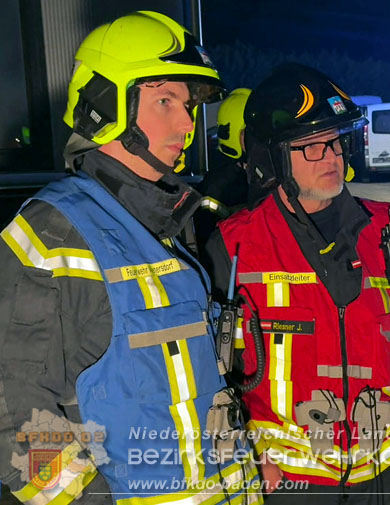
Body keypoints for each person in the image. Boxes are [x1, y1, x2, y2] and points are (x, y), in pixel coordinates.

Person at [0, 11, 262, 505]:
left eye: (187, 105)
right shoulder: (54, 233)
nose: (187, 122)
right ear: (106, 105)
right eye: (166, 101)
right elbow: (14, 416)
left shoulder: (164, 224)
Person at [202, 63, 390, 503]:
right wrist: (244, 449)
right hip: (295, 479)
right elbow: (215, 368)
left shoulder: (382, 227)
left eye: (335, 142)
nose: (332, 157)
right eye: (312, 147)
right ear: (272, 158)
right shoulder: (234, 244)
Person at [195, 88, 251, 251]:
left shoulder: (278, 175)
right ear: (232, 134)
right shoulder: (219, 188)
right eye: (251, 131)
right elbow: (207, 244)